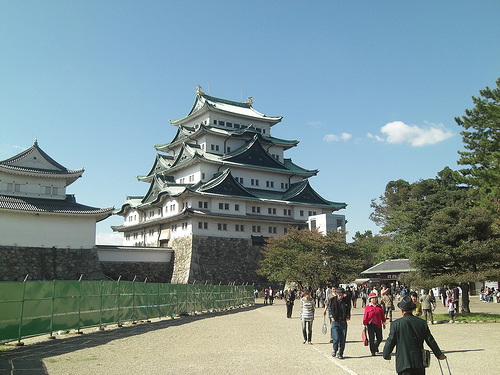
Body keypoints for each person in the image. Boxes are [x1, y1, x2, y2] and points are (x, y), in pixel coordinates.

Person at [383, 295, 446, 375]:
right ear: (413, 310)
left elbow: (391, 341)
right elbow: (430, 340)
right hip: (419, 362)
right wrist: (439, 354)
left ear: (402, 311)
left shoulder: (396, 324)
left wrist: (386, 354)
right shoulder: (422, 323)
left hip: (403, 363)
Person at [327, 287, 351, 359]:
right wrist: (331, 316)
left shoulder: (346, 301)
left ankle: (340, 353)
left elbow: (348, 309)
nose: (341, 296)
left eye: (342, 295)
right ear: (337, 294)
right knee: (336, 337)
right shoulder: (333, 300)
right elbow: (330, 309)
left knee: (343, 338)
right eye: (339, 295)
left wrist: (347, 316)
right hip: (335, 320)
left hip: (343, 321)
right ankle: (335, 349)